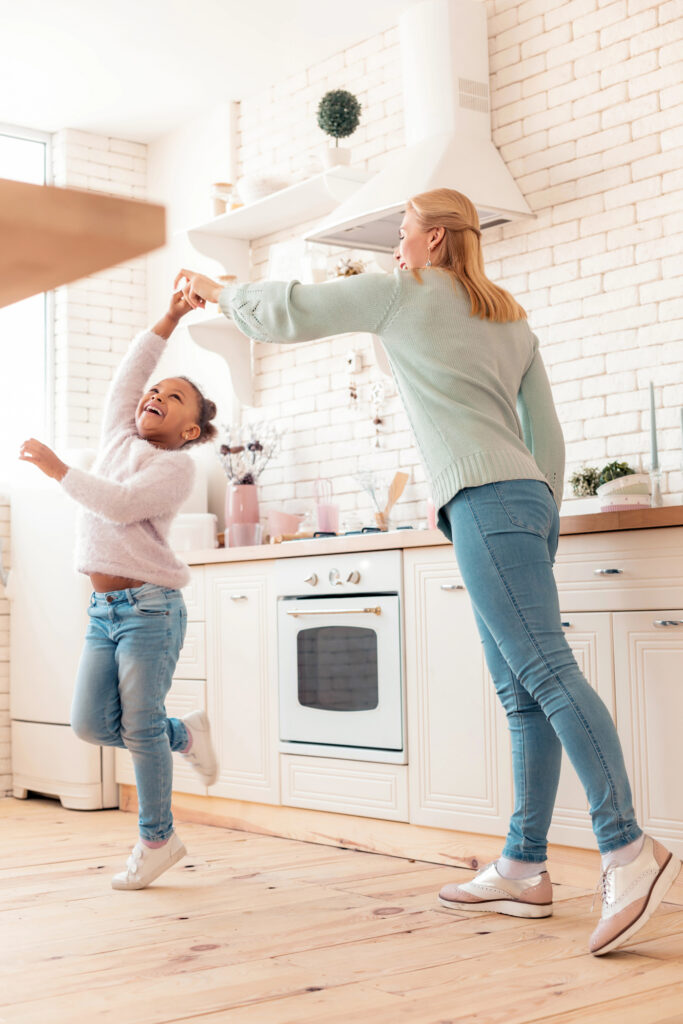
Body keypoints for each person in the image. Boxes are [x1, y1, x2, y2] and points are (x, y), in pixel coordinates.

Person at [174, 187, 679, 954]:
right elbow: (546, 433)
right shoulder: (509, 316)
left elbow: (293, 310)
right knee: (523, 694)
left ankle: (627, 849)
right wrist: (535, 510)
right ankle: (522, 865)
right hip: (523, 498)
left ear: (435, 240)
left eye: (403, 236)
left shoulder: (406, 293)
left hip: (481, 499)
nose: (397, 250)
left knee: (542, 675)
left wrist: (212, 288)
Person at [19, 289, 220, 891]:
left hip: (149, 610)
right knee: (88, 724)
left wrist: (60, 471)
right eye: (155, 392)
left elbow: (122, 505)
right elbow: (132, 369)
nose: (155, 395)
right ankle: (184, 734)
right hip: (104, 610)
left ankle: (157, 838)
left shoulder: (176, 467)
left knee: (137, 727)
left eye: (174, 397)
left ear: (190, 430)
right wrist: (171, 316)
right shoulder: (117, 436)